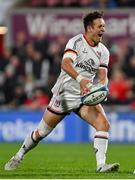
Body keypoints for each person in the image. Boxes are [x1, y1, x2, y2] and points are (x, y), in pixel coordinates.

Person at [4, 11, 120, 172]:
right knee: (41, 133)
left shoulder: (104, 52)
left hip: (84, 96)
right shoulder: (76, 42)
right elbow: (65, 64)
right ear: (89, 28)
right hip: (64, 95)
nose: (103, 29)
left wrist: (102, 88)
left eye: (104, 26)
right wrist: (81, 80)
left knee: (103, 124)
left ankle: (101, 165)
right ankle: (19, 155)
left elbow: (102, 76)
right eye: (100, 26)